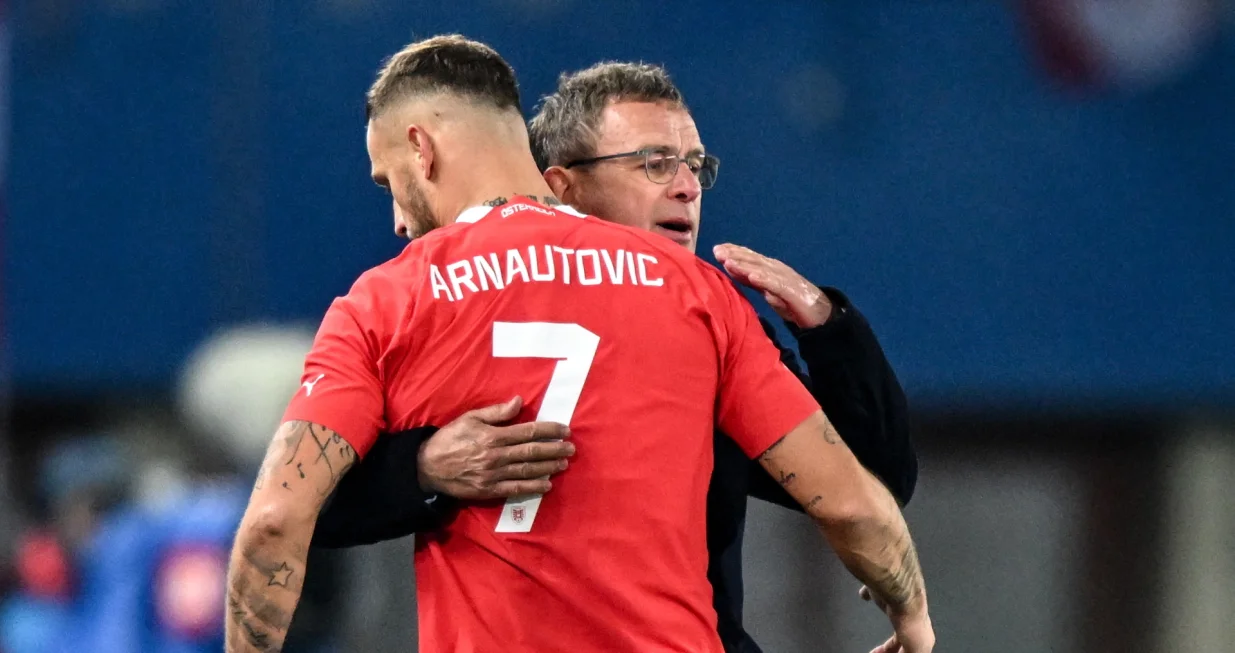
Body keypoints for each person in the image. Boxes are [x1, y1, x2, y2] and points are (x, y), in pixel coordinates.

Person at [225, 35, 932, 653]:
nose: (686, 186)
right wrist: (913, 614)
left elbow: (280, 516)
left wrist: (832, 331)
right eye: (653, 163)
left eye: (694, 165)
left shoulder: (395, 298)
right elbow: (854, 502)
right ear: (562, 180)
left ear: (420, 146)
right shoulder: (698, 301)